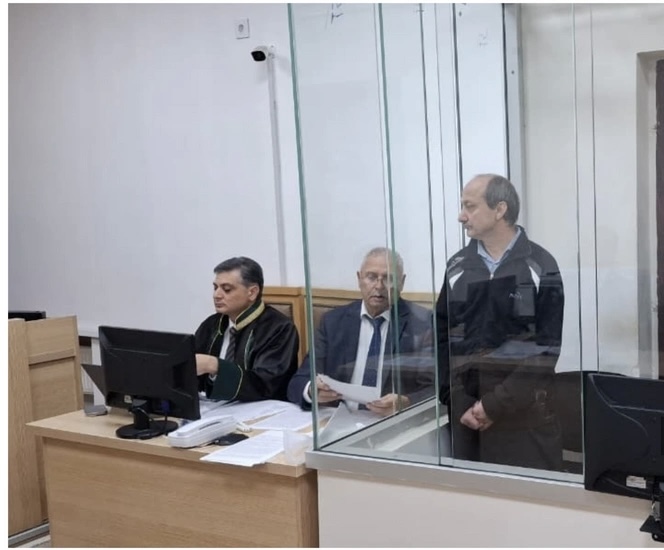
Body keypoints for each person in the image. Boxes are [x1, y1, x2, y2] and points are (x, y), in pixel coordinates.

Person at [436, 174, 565, 471]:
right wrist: (454, 397)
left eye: (470, 206)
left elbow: (546, 349)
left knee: (525, 499)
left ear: (500, 209)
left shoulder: (541, 265)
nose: (461, 216)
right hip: (467, 418)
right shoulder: (457, 266)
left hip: (523, 423)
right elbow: (442, 335)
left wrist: (493, 406)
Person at [287, 247, 435, 416]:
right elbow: (299, 381)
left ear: (402, 282)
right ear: (359, 279)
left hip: (393, 422)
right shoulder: (333, 321)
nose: (379, 286)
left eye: (388, 278)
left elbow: (435, 388)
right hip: (339, 419)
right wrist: (312, 391)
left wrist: (407, 403)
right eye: (371, 277)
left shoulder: (423, 323)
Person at [195, 256, 299, 402]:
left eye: (226, 289)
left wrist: (215, 365)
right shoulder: (211, 324)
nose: (216, 295)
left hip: (262, 410)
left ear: (252, 292)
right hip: (214, 408)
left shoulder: (279, 329)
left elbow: (265, 385)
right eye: (215, 287)